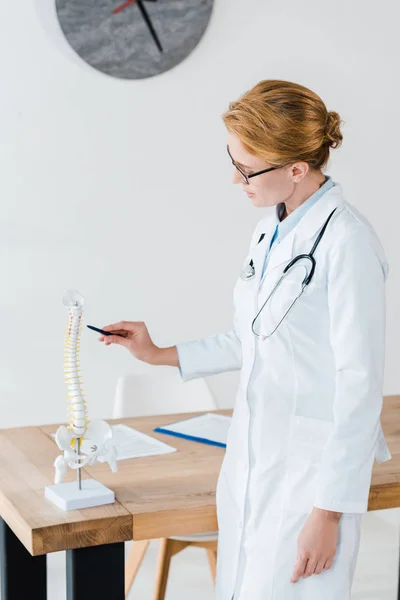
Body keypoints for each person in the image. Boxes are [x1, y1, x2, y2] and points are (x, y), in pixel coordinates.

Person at [98, 79, 392, 599]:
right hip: (253, 458)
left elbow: (360, 387)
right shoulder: (269, 229)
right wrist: (158, 353)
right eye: (232, 161)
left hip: (310, 477)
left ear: (297, 170)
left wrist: (328, 512)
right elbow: (254, 339)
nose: (235, 180)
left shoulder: (348, 243)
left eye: (246, 169)